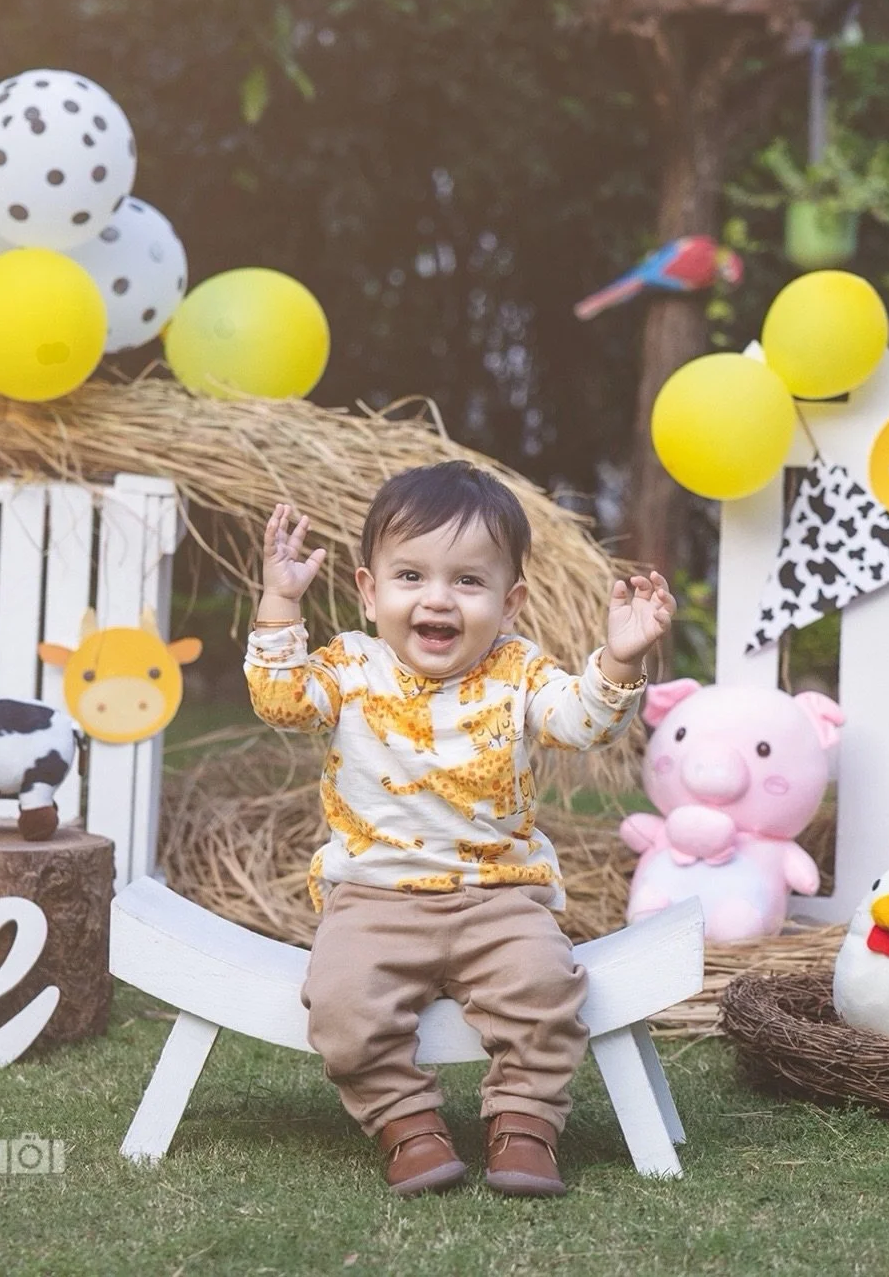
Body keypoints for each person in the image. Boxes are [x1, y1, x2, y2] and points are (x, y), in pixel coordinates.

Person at [244, 461, 674, 1198]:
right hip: (375, 897)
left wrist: (619, 658)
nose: (437, 599)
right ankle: (405, 1124)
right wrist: (280, 603)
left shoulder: (519, 672)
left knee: (546, 988)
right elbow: (282, 701)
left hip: (500, 896)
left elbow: (582, 724)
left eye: (468, 583)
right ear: (370, 591)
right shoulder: (351, 666)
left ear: (510, 604)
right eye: (411, 576)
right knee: (341, 1002)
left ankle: (525, 1124)